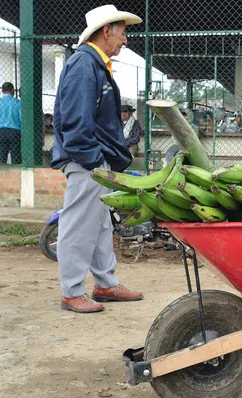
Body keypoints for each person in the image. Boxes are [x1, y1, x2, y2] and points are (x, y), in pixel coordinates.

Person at [50, 5, 143, 313]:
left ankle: (105, 283)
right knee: (79, 224)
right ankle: (72, 291)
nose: (125, 40)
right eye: (122, 32)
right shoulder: (83, 65)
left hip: (93, 158)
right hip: (86, 159)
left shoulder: (95, 64)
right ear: (106, 31)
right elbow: (75, 122)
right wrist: (92, 160)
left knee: (100, 222)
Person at [0, 82, 21, 164]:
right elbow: (21, 118)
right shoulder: (18, 103)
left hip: (1, 130)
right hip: (15, 131)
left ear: (2, 91)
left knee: (1, 157)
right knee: (16, 157)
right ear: (13, 90)